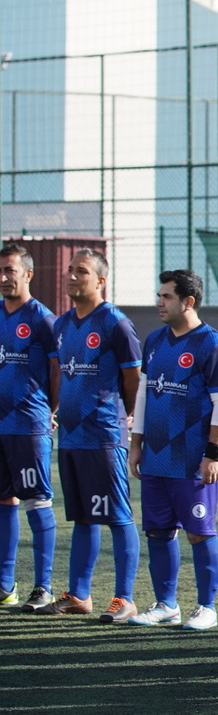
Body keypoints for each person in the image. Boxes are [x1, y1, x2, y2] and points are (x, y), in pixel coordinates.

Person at [38, 249, 142, 619]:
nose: (71, 276)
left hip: (104, 435)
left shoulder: (116, 323)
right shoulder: (62, 324)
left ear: (100, 281)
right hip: (70, 437)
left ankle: (124, 598)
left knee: (117, 515)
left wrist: (129, 417)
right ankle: (79, 596)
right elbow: (59, 375)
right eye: (69, 270)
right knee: (83, 516)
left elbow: (133, 379)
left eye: (80, 271)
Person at [126, 270, 218, 630]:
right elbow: (143, 395)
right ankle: (166, 605)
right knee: (158, 531)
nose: (159, 302)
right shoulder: (155, 340)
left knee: (199, 531)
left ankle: (207, 607)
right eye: (159, 295)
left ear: (188, 302)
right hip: (156, 456)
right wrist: (136, 444)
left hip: (192, 459)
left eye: (166, 296)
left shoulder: (212, 344)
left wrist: (213, 454)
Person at [0, 244, 58, 612]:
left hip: (29, 426)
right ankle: (5, 585)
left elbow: (58, 370)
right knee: (3, 500)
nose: (4, 278)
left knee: (37, 501)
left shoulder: (42, 319)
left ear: (28, 274)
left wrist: (50, 410)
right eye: (0, 271)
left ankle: (43, 587)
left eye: (10, 270)